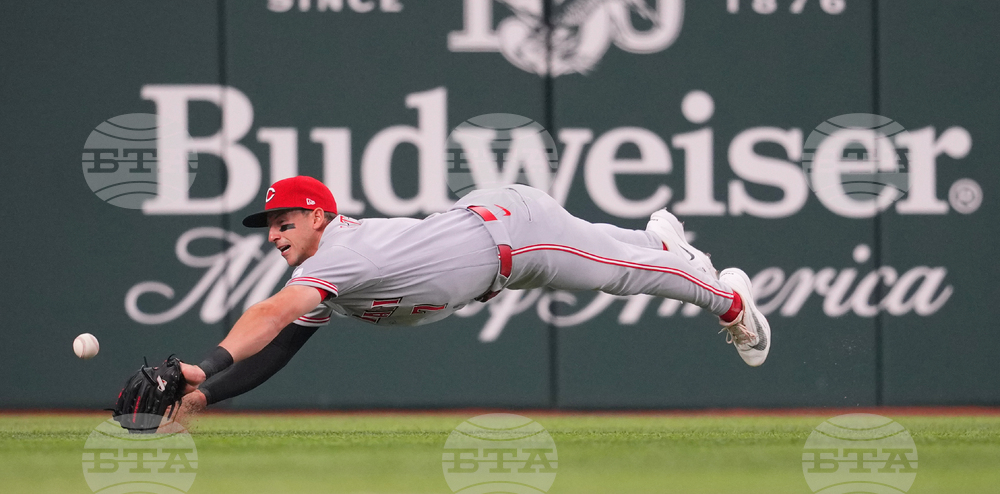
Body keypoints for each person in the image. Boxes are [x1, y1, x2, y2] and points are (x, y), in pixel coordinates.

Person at [174, 175, 770, 421]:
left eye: (284, 223)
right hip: (496, 243)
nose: (274, 236)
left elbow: (270, 314)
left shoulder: (338, 254)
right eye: (269, 228)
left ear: (317, 216)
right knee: (609, 252)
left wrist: (204, 365)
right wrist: (202, 397)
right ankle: (660, 243)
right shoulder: (327, 267)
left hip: (518, 235)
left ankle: (730, 301)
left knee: (618, 274)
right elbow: (280, 347)